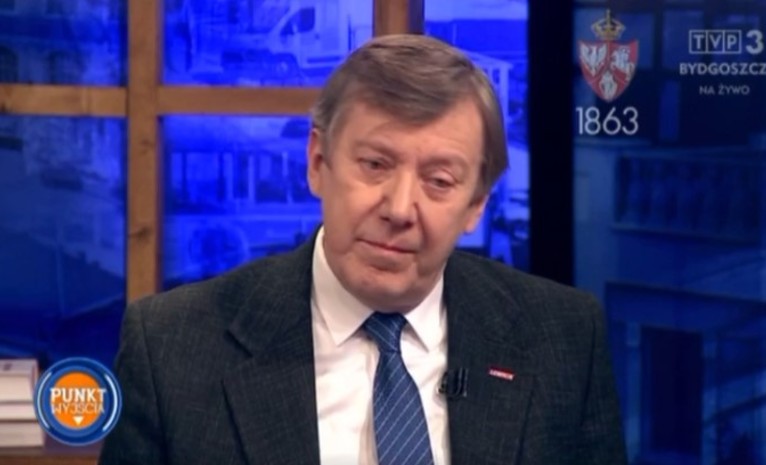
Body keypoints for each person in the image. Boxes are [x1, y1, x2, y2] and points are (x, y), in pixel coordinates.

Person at [98, 34, 627, 465]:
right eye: (375, 165)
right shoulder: (171, 348)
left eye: (439, 180)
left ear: (475, 206)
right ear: (318, 163)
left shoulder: (563, 338)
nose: (399, 208)